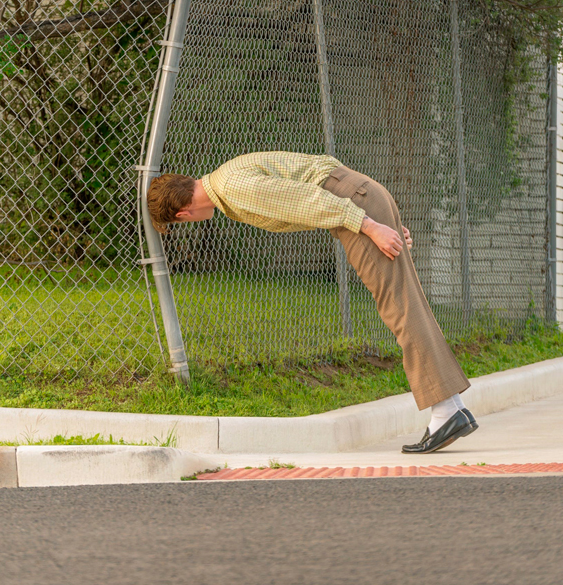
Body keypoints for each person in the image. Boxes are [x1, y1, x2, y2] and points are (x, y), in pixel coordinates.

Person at [147, 151, 479, 454]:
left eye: (180, 223)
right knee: (408, 303)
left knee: (400, 307)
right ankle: (450, 406)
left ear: (183, 213)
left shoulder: (233, 188)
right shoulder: (225, 178)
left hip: (352, 206)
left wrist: (371, 225)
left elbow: (306, 197)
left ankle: (445, 412)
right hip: (359, 196)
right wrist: (377, 218)